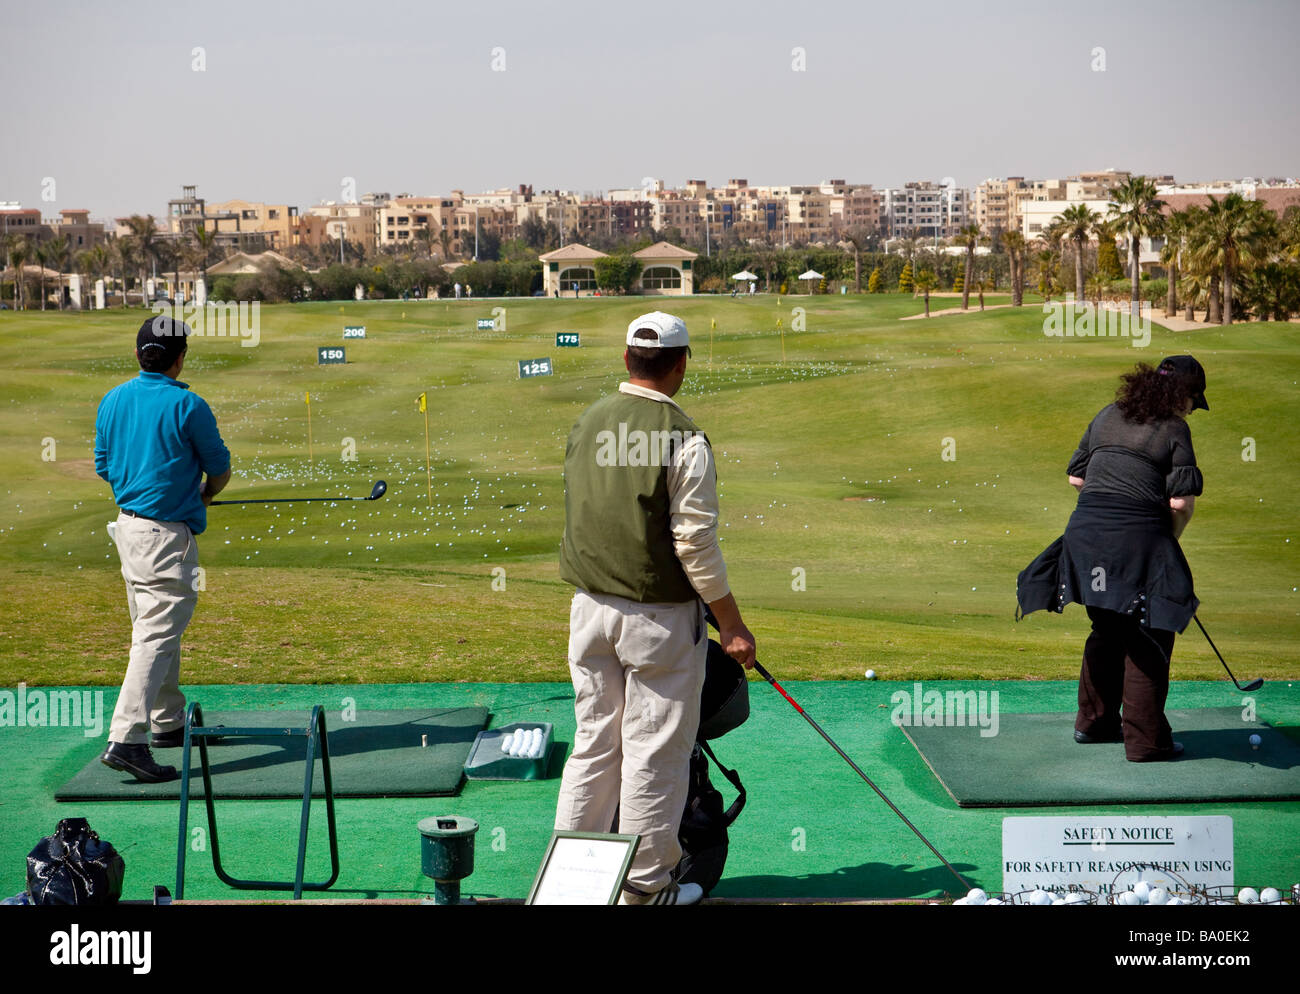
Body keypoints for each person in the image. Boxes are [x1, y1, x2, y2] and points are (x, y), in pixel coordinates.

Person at [554, 311, 756, 905]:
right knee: (652, 754)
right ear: (682, 363)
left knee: (594, 744)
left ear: (625, 360)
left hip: (588, 610)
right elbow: (693, 543)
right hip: (658, 622)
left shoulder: (587, 421)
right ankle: (643, 891)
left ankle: (574, 885)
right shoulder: (685, 439)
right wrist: (734, 624)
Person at [1017, 356, 1208, 762]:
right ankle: (1146, 743)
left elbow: (1077, 478)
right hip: (1136, 538)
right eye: (1195, 398)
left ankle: (1094, 723)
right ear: (1182, 394)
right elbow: (1180, 503)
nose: (1194, 408)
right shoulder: (1175, 428)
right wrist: (1163, 544)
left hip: (1084, 537)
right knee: (1148, 633)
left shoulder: (1108, 414)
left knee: (1107, 624)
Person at [94, 316, 231, 782]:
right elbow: (220, 469)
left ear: (137, 355)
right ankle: (126, 740)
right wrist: (203, 494)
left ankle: (166, 722)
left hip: (127, 530)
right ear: (180, 357)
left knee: (154, 627)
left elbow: (104, 466)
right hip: (165, 537)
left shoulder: (112, 400)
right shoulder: (189, 405)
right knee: (155, 634)